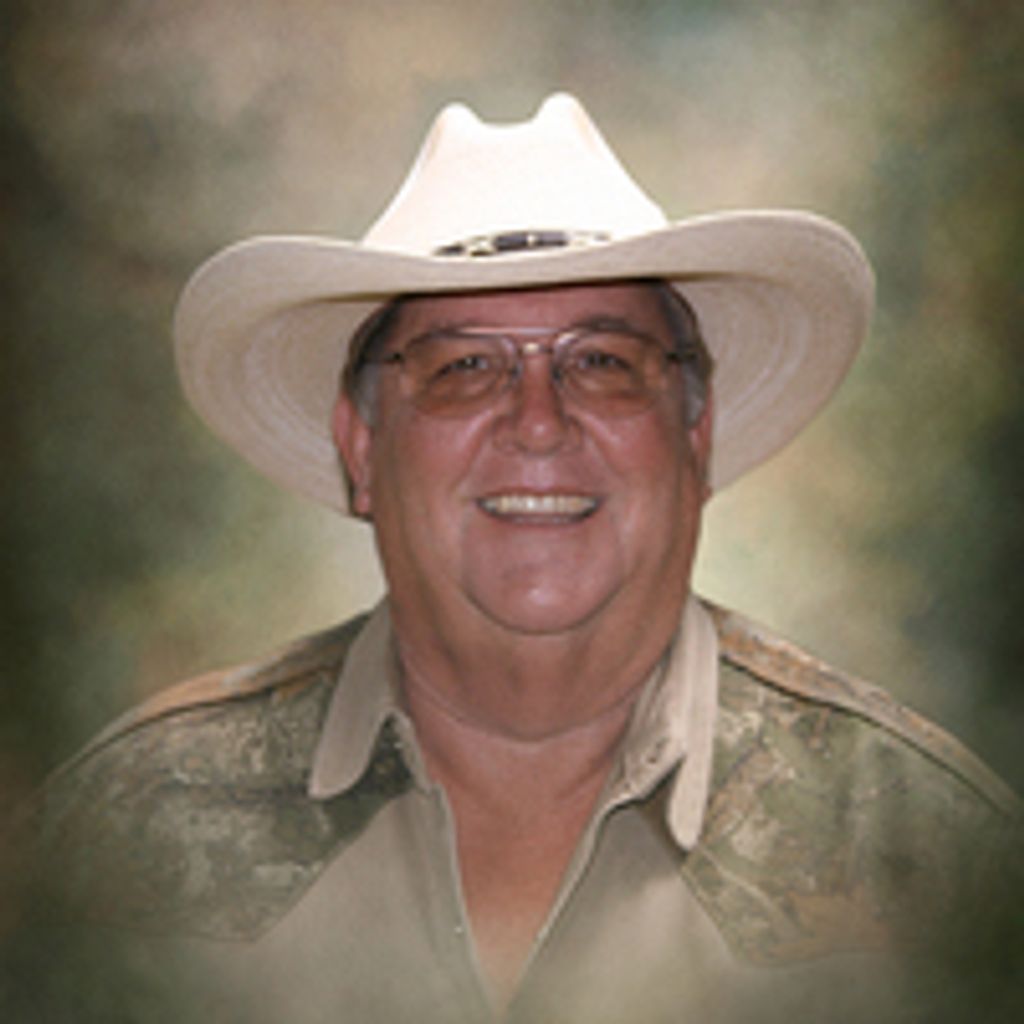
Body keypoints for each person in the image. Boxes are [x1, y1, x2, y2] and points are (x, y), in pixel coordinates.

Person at [20, 94, 1021, 1023]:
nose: (538, 423)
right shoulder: (126, 837)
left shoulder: (926, 855)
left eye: (604, 362)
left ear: (696, 435)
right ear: (361, 448)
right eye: (463, 366)